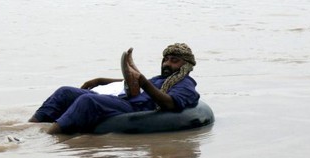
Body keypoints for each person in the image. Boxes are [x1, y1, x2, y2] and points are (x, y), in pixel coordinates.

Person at [29, 43, 200, 134]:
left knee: (87, 101)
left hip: (135, 109)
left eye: (174, 60)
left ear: (185, 65)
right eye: (166, 59)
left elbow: (169, 103)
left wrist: (142, 82)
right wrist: (101, 80)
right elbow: (141, 83)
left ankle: (46, 136)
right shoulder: (161, 79)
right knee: (65, 92)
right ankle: (30, 126)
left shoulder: (185, 84)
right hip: (126, 100)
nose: (167, 64)